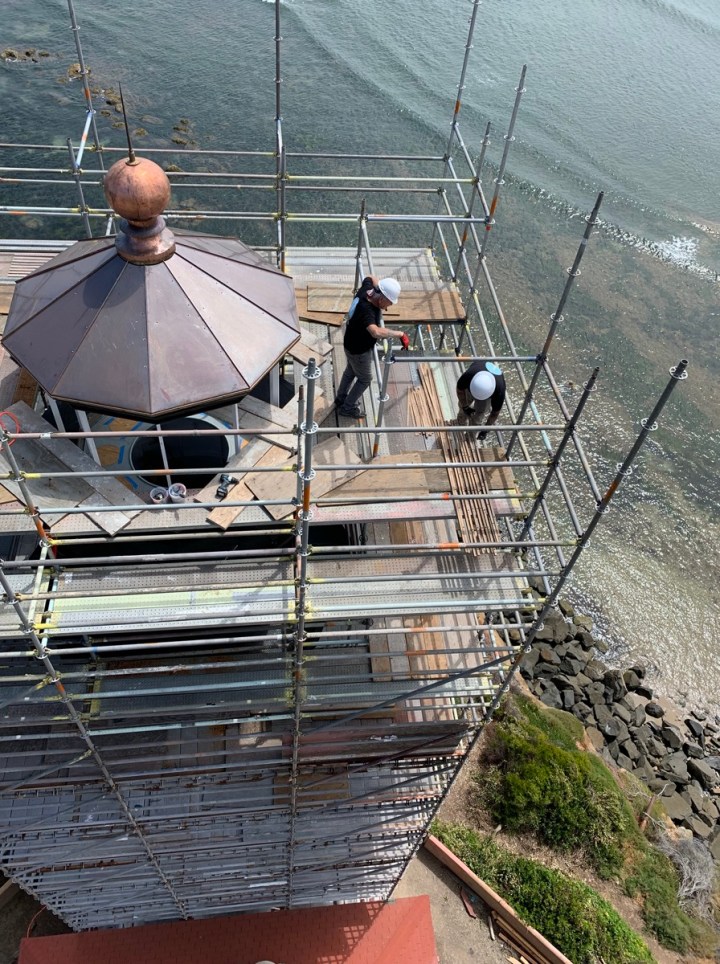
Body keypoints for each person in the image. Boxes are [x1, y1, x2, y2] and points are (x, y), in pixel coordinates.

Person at [334, 276, 409, 418]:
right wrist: (399, 334)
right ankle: (347, 407)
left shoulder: (366, 290)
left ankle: (341, 398)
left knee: (351, 370)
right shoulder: (367, 310)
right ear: (381, 299)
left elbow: (370, 277)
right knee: (365, 379)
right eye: (388, 304)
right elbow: (375, 331)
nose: (387, 308)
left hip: (350, 342)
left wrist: (381, 284)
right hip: (359, 350)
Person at [455, 360, 505, 439]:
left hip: (486, 397)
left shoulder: (499, 391)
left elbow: (495, 413)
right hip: (470, 388)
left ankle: (470, 437)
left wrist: (486, 430)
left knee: (479, 415)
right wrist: (465, 406)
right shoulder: (469, 375)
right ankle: (460, 425)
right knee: (462, 408)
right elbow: (460, 391)